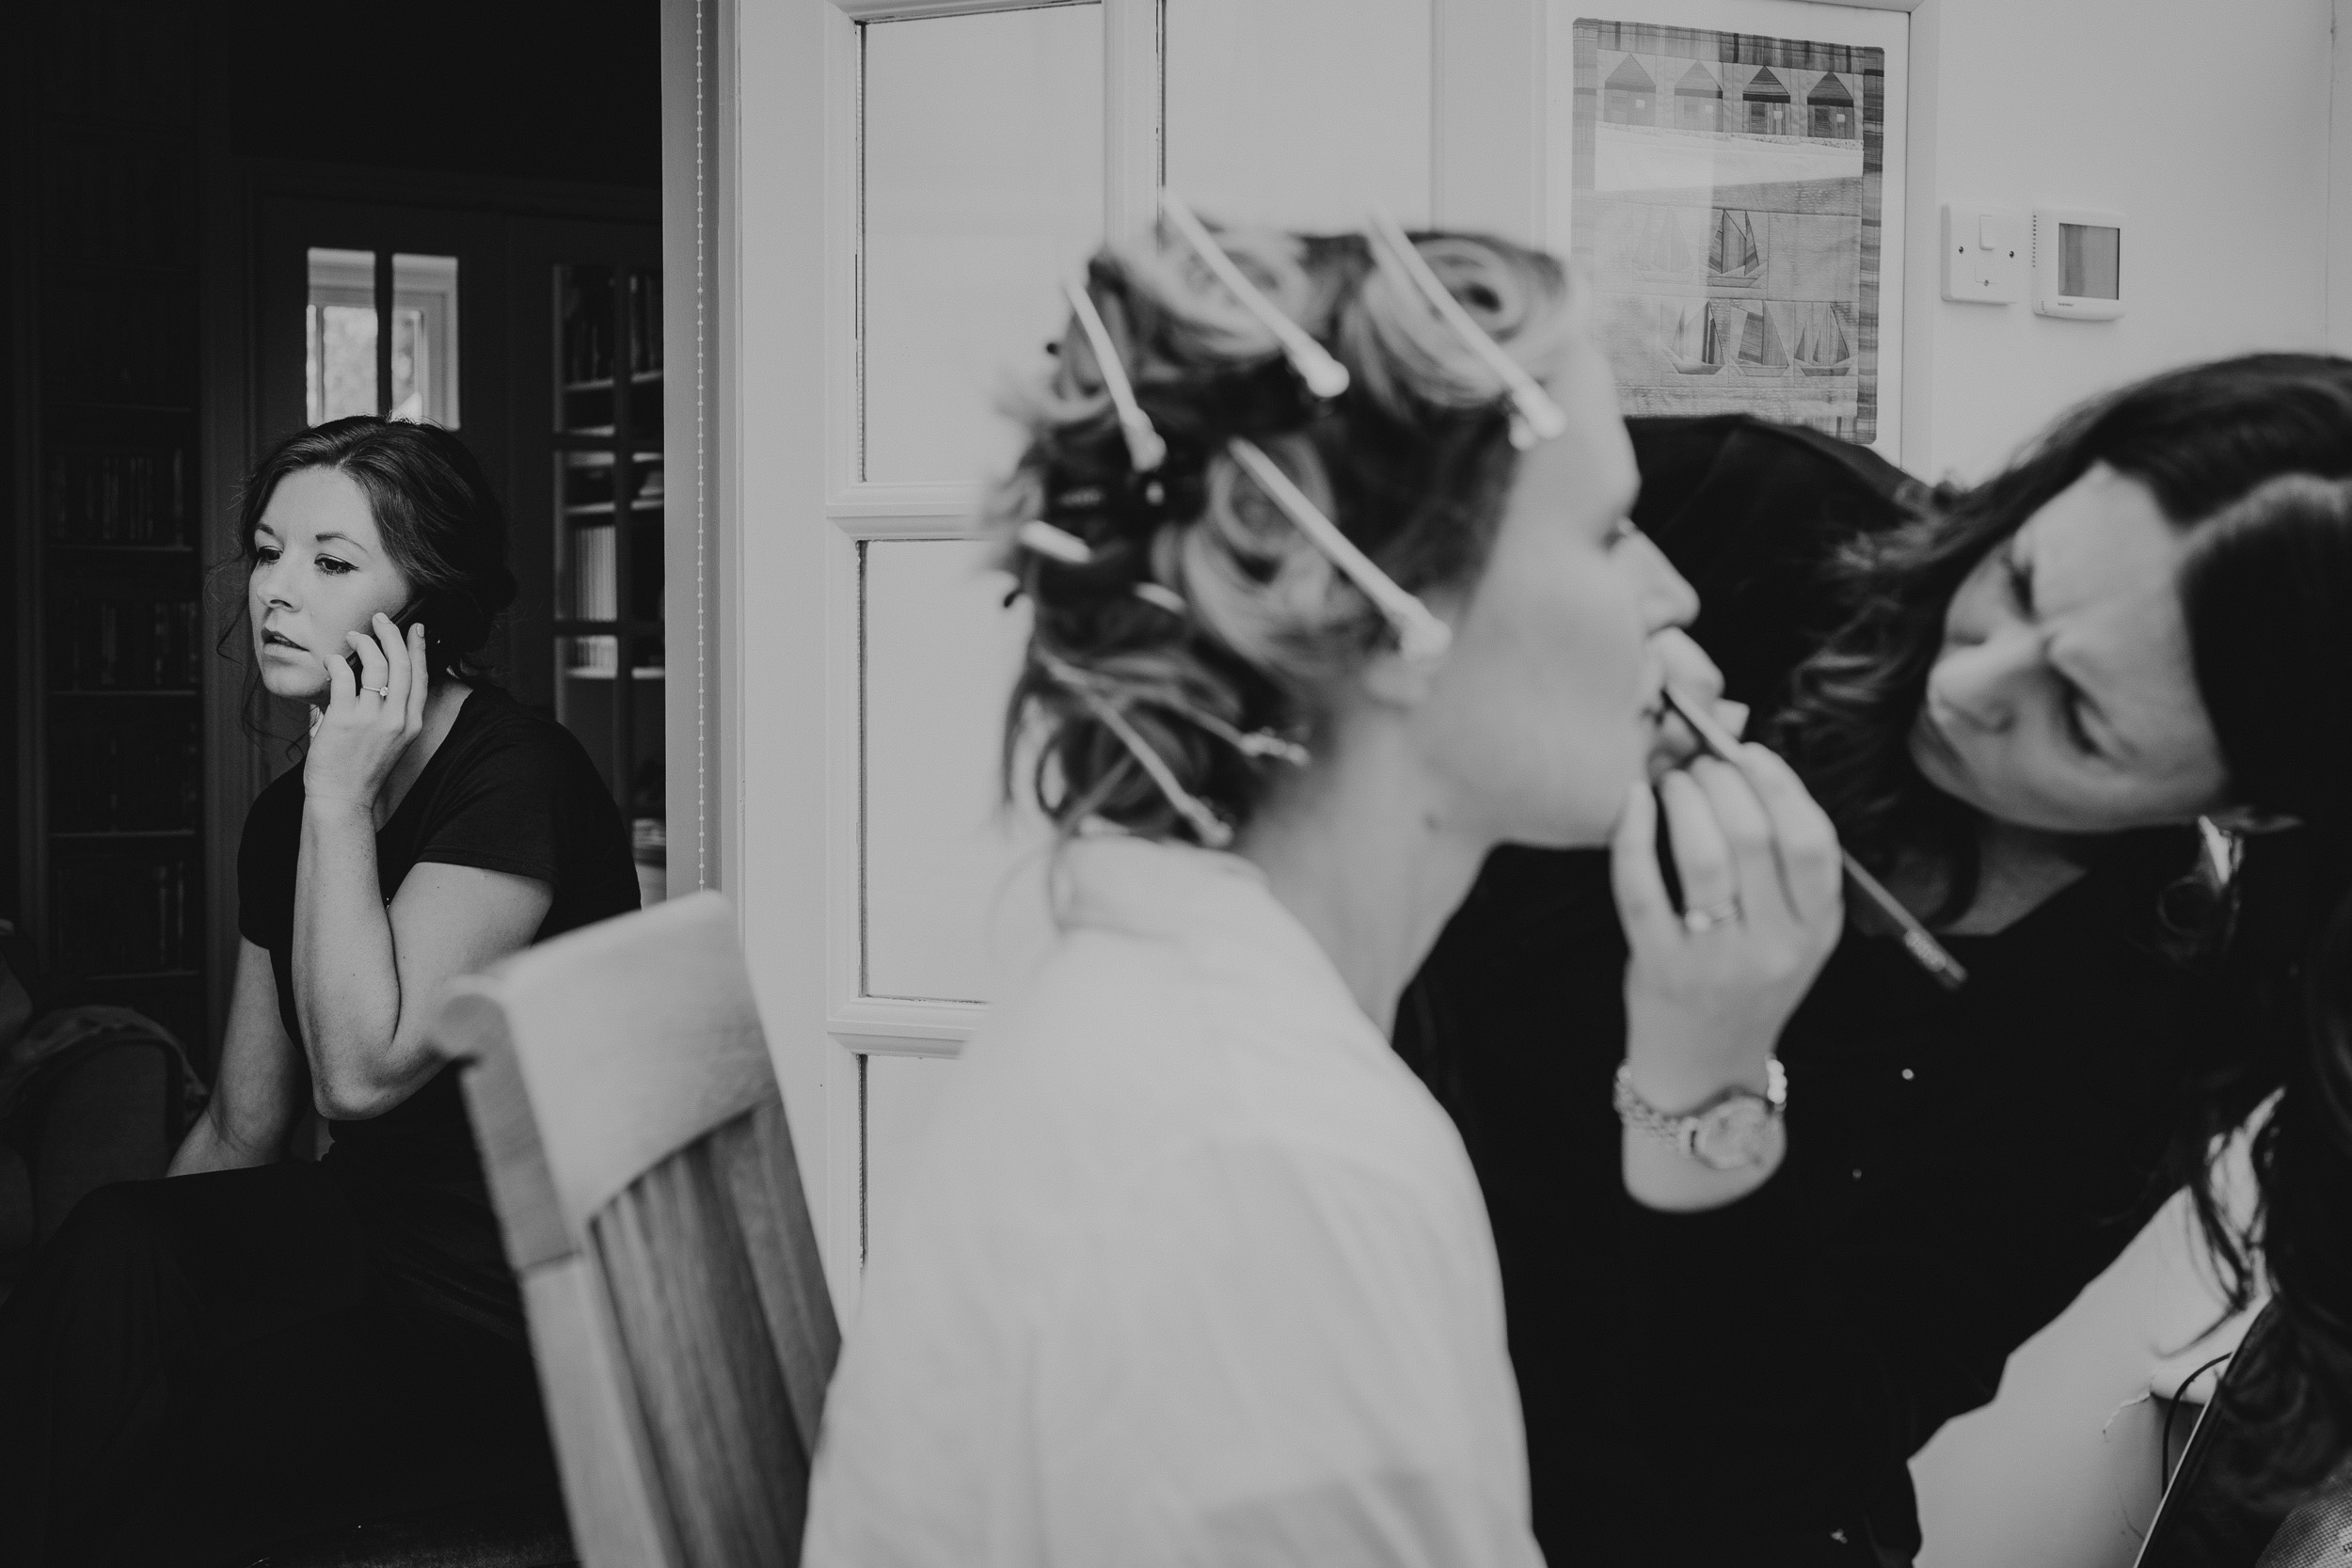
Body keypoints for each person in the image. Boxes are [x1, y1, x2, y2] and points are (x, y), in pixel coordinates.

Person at [801, 217, 1842, 1564]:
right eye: (1610, 528)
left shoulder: (1212, 1037)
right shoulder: (1270, 1165)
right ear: (1380, 606)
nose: (1676, 587)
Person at [1395, 358, 2352, 1563]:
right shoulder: (1760, 516)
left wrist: (1711, 1076)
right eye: (2018, 581)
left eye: (2083, 720)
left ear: (2254, 806)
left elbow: (1787, 1463)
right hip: (1347, 1358)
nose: (1968, 685)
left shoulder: (2132, 1028)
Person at [0, 417, 641, 1565]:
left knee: (176, 1438)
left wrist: (339, 803)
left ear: (425, 608)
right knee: (117, 1248)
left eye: (332, 563)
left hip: (514, 1301)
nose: (276, 592)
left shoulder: (514, 774)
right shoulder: (285, 817)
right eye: (264, 551)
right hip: (362, 1247)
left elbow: (359, 1077)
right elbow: (249, 1123)